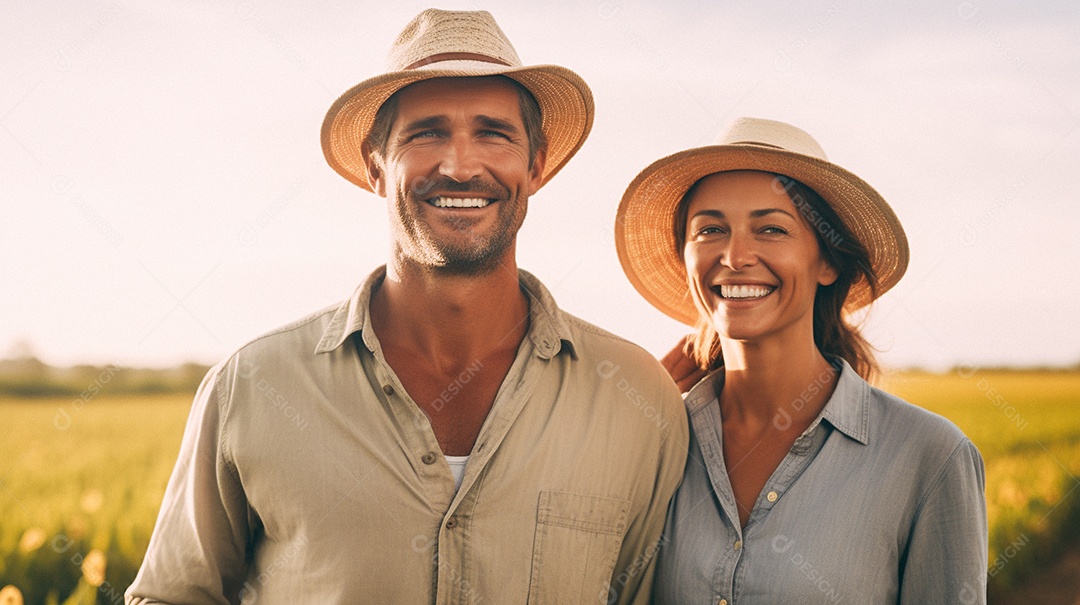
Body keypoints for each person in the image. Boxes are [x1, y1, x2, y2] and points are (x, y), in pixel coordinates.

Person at [127, 9, 688, 604]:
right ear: (376, 166)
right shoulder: (252, 386)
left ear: (536, 165)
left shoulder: (636, 401)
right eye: (427, 133)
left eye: (494, 133)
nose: (460, 166)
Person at [614, 117, 988, 604]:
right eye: (710, 229)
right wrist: (631, 421)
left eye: (771, 229)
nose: (735, 255)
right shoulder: (653, 446)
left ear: (828, 261)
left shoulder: (929, 457)